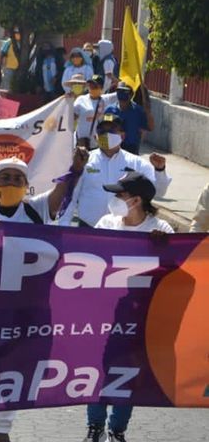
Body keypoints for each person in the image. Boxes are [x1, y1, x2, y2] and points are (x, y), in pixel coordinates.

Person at [0, 153, 85, 442]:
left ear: (27, 186)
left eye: (18, 178)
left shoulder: (34, 211)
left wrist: (74, 170)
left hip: (28, 312)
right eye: (6, 177)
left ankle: (2, 430)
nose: (12, 182)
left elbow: (58, 194)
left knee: (18, 373)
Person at [83, 172, 173, 442]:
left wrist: (163, 248)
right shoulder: (107, 223)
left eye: (120, 195)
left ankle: (117, 429)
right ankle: (95, 426)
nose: (114, 199)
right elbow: (90, 259)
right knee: (99, 370)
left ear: (136, 200)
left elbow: (173, 270)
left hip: (140, 315)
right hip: (106, 311)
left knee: (128, 372)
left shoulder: (161, 229)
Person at [66, 111, 171, 227]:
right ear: (96, 136)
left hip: (121, 229)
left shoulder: (136, 163)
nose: (106, 135)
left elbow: (159, 192)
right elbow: (71, 195)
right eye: (102, 131)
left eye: (111, 131)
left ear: (122, 136)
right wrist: (63, 224)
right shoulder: (84, 161)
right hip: (87, 227)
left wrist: (160, 170)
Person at [73, 75, 117, 148]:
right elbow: (72, 116)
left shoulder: (106, 99)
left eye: (95, 86)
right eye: (90, 85)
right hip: (82, 141)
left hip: (98, 142)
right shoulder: (81, 99)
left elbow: (121, 92)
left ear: (101, 88)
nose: (92, 88)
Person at [106, 84, 149, 154]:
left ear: (131, 95)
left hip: (131, 147)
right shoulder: (109, 110)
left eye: (125, 92)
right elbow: (105, 128)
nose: (121, 95)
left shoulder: (138, 111)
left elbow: (143, 130)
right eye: (119, 92)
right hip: (113, 147)